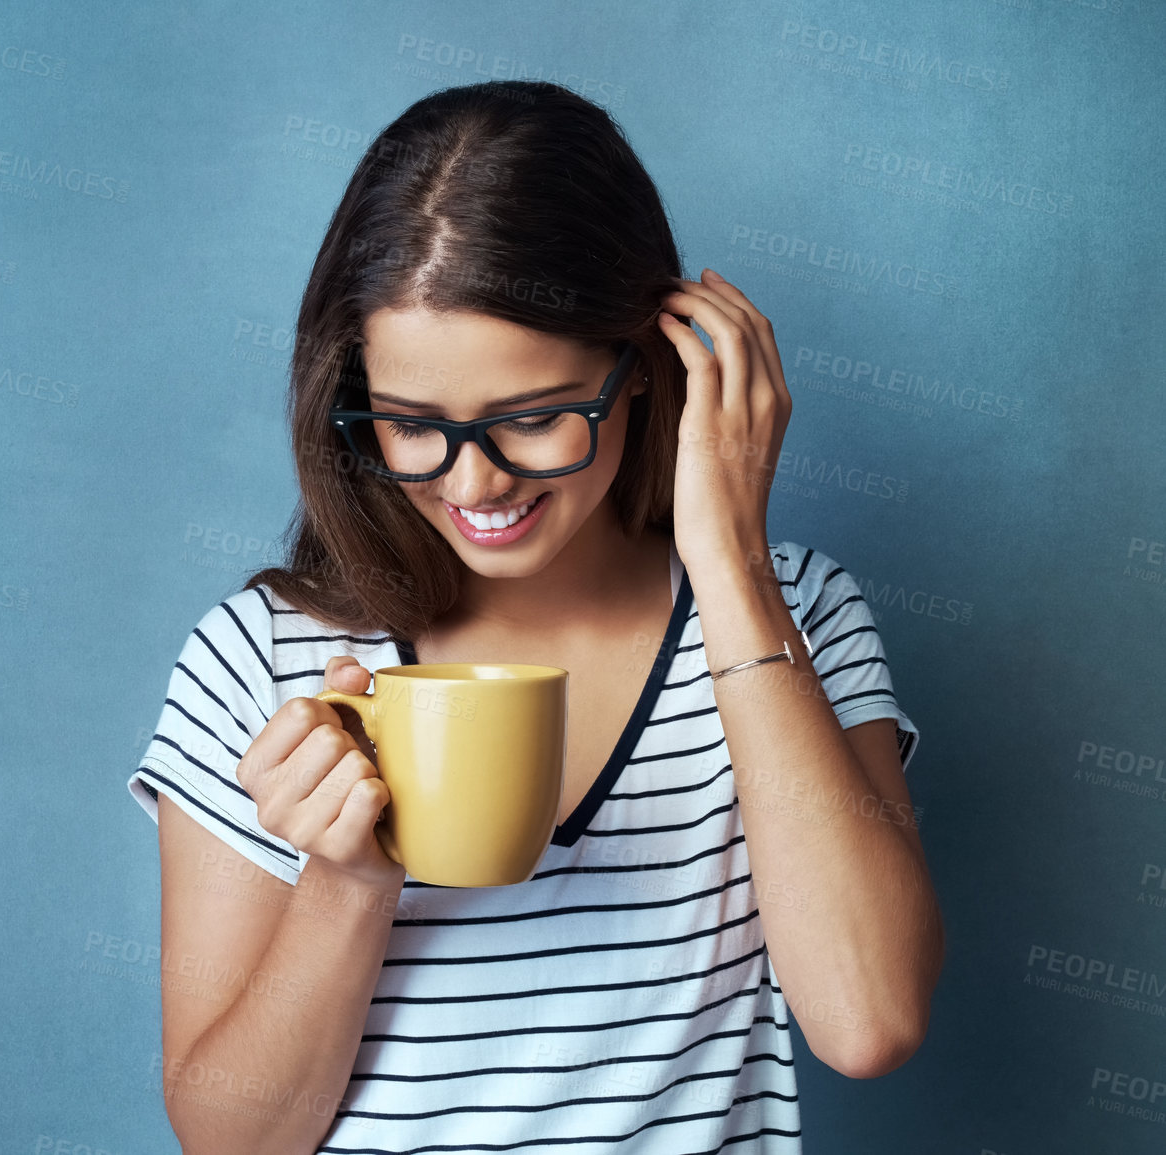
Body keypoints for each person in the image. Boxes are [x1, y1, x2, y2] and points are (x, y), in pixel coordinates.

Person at [126, 80, 942, 1154]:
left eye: (535, 418)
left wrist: (733, 568)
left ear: (646, 369)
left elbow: (869, 1019)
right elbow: (230, 1139)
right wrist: (345, 881)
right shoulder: (259, 655)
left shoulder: (799, 620)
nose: (475, 484)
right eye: (412, 425)